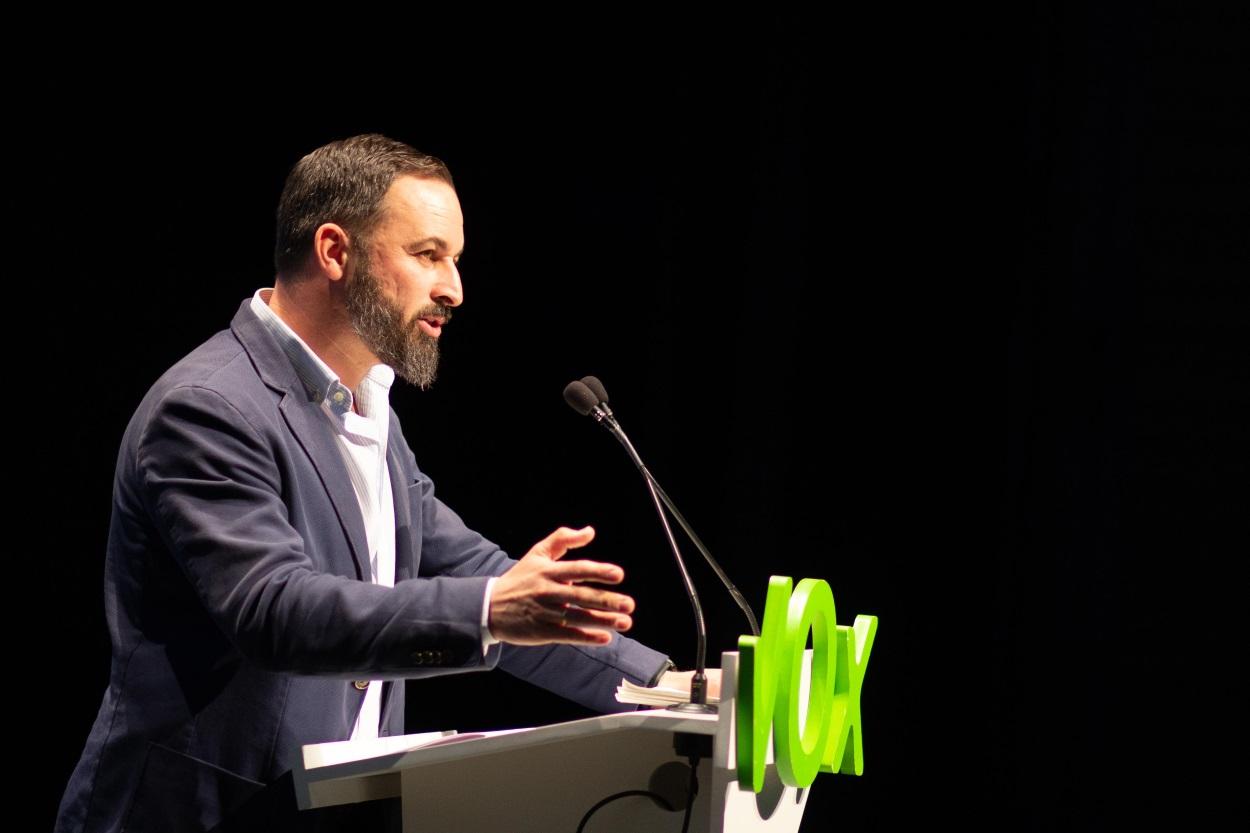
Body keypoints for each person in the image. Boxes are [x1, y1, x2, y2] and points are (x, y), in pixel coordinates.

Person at [55, 134, 699, 833]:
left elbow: (466, 567)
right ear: (336, 251)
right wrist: (489, 610)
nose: (454, 288)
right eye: (428, 255)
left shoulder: (367, 407)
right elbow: (276, 609)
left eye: (453, 260)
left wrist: (671, 689)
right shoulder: (208, 407)